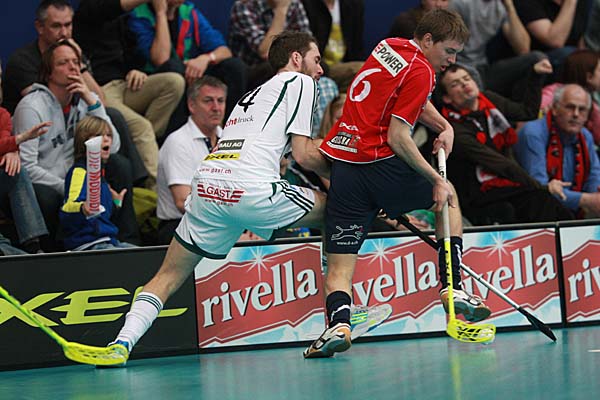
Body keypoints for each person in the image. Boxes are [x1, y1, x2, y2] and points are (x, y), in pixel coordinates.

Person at [107, 31, 334, 362]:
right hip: (249, 187)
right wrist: (351, 181)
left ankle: (121, 344)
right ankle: (340, 314)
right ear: (296, 59)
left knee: (167, 276)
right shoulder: (300, 83)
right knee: (339, 210)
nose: (321, 70)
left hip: (208, 188)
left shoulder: (251, 95)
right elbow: (304, 155)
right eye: (316, 60)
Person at [305, 9, 492, 359]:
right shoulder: (423, 70)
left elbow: (407, 99)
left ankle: (339, 324)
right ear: (428, 40)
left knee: (340, 264)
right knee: (449, 198)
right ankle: (453, 287)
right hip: (380, 166)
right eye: (449, 51)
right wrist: (436, 179)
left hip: (345, 169)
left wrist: (443, 126)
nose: (452, 61)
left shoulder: (388, 47)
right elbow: (398, 136)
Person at [12, 40, 139, 250]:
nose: (73, 68)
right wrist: (68, 187)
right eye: (63, 63)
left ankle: (128, 240)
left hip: (79, 175)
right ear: (48, 72)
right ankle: (57, 251)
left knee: (119, 164)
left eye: (76, 62)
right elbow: (26, 167)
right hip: (51, 181)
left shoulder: (85, 100)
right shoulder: (32, 107)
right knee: (47, 196)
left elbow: (113, 145)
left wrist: (92, 102)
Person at [437, 62, 574, 224]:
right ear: (447, 98)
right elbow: (498, 163)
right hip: (475, 192)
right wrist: (541, 186)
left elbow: (527, 113)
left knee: (547, 204)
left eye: (466, 78)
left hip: (503, 184)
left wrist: (536, 76)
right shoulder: (453, 129)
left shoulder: (488, 100)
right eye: (455, 84)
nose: (464, 84)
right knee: (523, 205)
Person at [74, 0, 186, 190]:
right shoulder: (88, 10)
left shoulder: (122, 21)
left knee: (174, 82)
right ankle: (157, 190)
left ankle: (138, 144)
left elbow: (134, 53)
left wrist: (136, 69)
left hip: (125, 84)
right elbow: (113, 7)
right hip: (101, 89)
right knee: (142, 127)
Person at [228, 0, 339, 135]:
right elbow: (266, 52)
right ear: (296, 58)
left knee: (323, 69)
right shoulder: (244, 6)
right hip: (254, 69)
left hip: (288, 66)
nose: (320, 70)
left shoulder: (295, 4)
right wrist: (281, 10)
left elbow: (308, 45)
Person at [128, 0, 246, 119]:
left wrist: (206, 58)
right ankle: (177, 128)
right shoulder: (139, 14)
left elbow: (225, 51)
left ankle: (233, 123)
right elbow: (161, 60)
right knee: (174, 68)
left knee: (234, 67)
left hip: (185, 69)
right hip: (152, 78)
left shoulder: (188, 11)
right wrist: (161, 13)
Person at [156, 76, 226, 244]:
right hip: (181, 227)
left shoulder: (229, 139)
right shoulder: (178, 141)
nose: (216, 108)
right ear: (191, 105)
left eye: (221, 101)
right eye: (208, 101)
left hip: (223, 222)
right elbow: (184, 202)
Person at [515, 84, 600, 218]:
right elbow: (540, 188)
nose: (576, 114)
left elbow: (594, 177)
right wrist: (586, 200)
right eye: (570, 107)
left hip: (572, 213)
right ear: (554, 108)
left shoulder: (585, 136)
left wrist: (596, 197)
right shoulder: (533, 133)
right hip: (534, 215)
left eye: (582, 109)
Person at [59, 116, 135, 251]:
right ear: (85, 140)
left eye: (109, 135)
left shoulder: (100, 175)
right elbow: (67, 208)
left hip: (109, 240)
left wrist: (115, 204)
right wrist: (82, 208)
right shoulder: (79, 172)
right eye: (99, 135)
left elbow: (101, 216)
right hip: (88, 244)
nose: (106, 139)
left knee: (146, 256)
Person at [450, 0, 548, 100]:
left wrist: (510, 7)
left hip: (484, 68)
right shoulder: (461, 3)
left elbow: (523, 49)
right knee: (472, 84)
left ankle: (525, 108)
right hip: (459, 67)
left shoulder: (500, 6)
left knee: (537, 59)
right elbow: (446, 42)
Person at [1, 62, 51, 254]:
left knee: (16, 171)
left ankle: (34, 247)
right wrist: (17, 141)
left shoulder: (3, 115)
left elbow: (3, 141)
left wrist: (11, 150)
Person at [301, 0, 365, 91]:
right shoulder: (304, 4)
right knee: (359, 68)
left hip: (344, 68)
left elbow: (357, 48)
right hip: (319, 67)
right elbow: (304, 49)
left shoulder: (354, 4)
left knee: (366, 73)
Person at [540, 50, 600, 145]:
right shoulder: (552, 94)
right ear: (589, 76)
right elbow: (535, 117)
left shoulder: (593, 105)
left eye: (582, 109)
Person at [514, 0, 590, 71]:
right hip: (540, 61)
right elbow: (555, 41)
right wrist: (570, 2)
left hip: (571, 52)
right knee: (568, 54)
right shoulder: (527, 2)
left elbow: (582, 39)